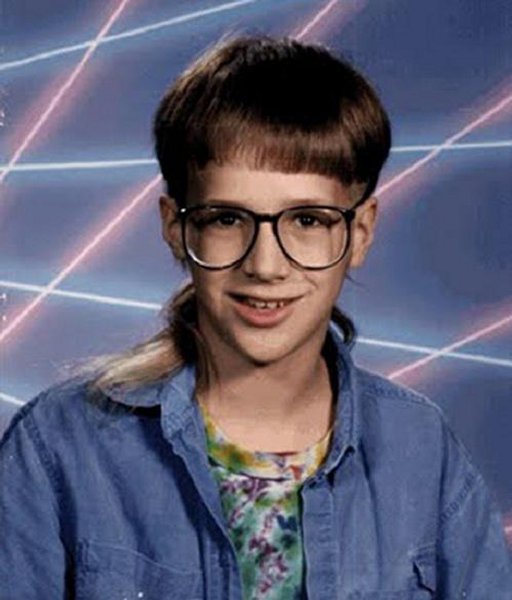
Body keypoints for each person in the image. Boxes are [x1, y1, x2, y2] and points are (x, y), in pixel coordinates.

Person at [1, 35, 511, 600]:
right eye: (226, 219)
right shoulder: (59, 447)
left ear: (360, 232)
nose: (265, 265)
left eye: (308, 220)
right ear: (176, 227)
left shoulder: (422, 449)